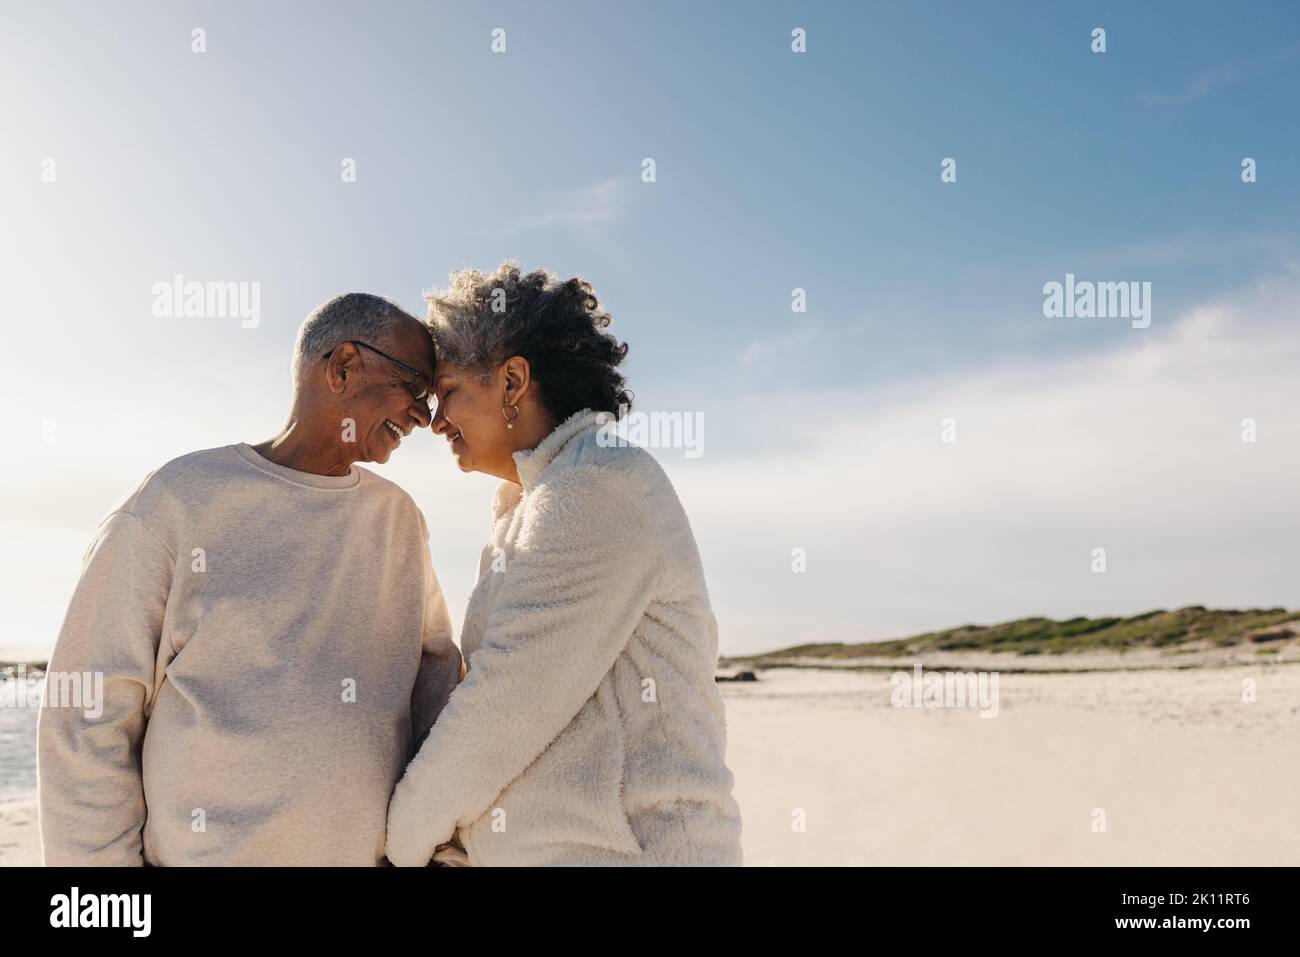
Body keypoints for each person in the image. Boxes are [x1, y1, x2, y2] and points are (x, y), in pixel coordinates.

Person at [38, 293, 463, 866]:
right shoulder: (177, 501)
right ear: (342, 366)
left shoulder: (400, 523)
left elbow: (438, 698)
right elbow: (86, 716)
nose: (424, 416)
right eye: (415, 387)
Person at [385, 263, 742, 866]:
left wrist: (400, 846)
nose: (435, 421)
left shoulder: (598, 485)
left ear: (513, 381)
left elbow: (506, 704)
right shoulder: (536, 500)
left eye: (447, 392)